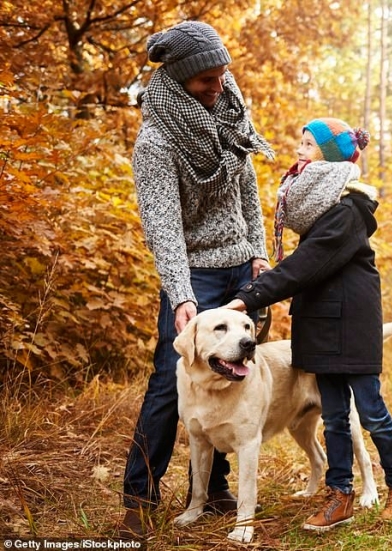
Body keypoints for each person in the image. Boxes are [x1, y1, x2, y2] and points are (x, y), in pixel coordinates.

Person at [119, 20, 274, 537]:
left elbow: (247, 191)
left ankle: (211, 490)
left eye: (222, 74)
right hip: (195, 275)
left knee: (235, 374)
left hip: (240, 269)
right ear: (181, 78)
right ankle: (138, 498)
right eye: (206, 79)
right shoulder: (157, 140)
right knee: (172, 376)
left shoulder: (230, 114)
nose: (219, 85)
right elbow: (162, 225)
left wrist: (258, 253)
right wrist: (181, 294)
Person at [224, 117, 392, 531]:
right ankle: (340, 495)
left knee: (371, 412)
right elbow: (304, 270)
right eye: (301, 142)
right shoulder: (321, 208)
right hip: (320, 325)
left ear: (328, 156)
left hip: (353, 326)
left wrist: (247, 298)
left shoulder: (347, 211)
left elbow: (303, 267)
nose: (300, 149)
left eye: (309, 145)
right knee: (332, 419)